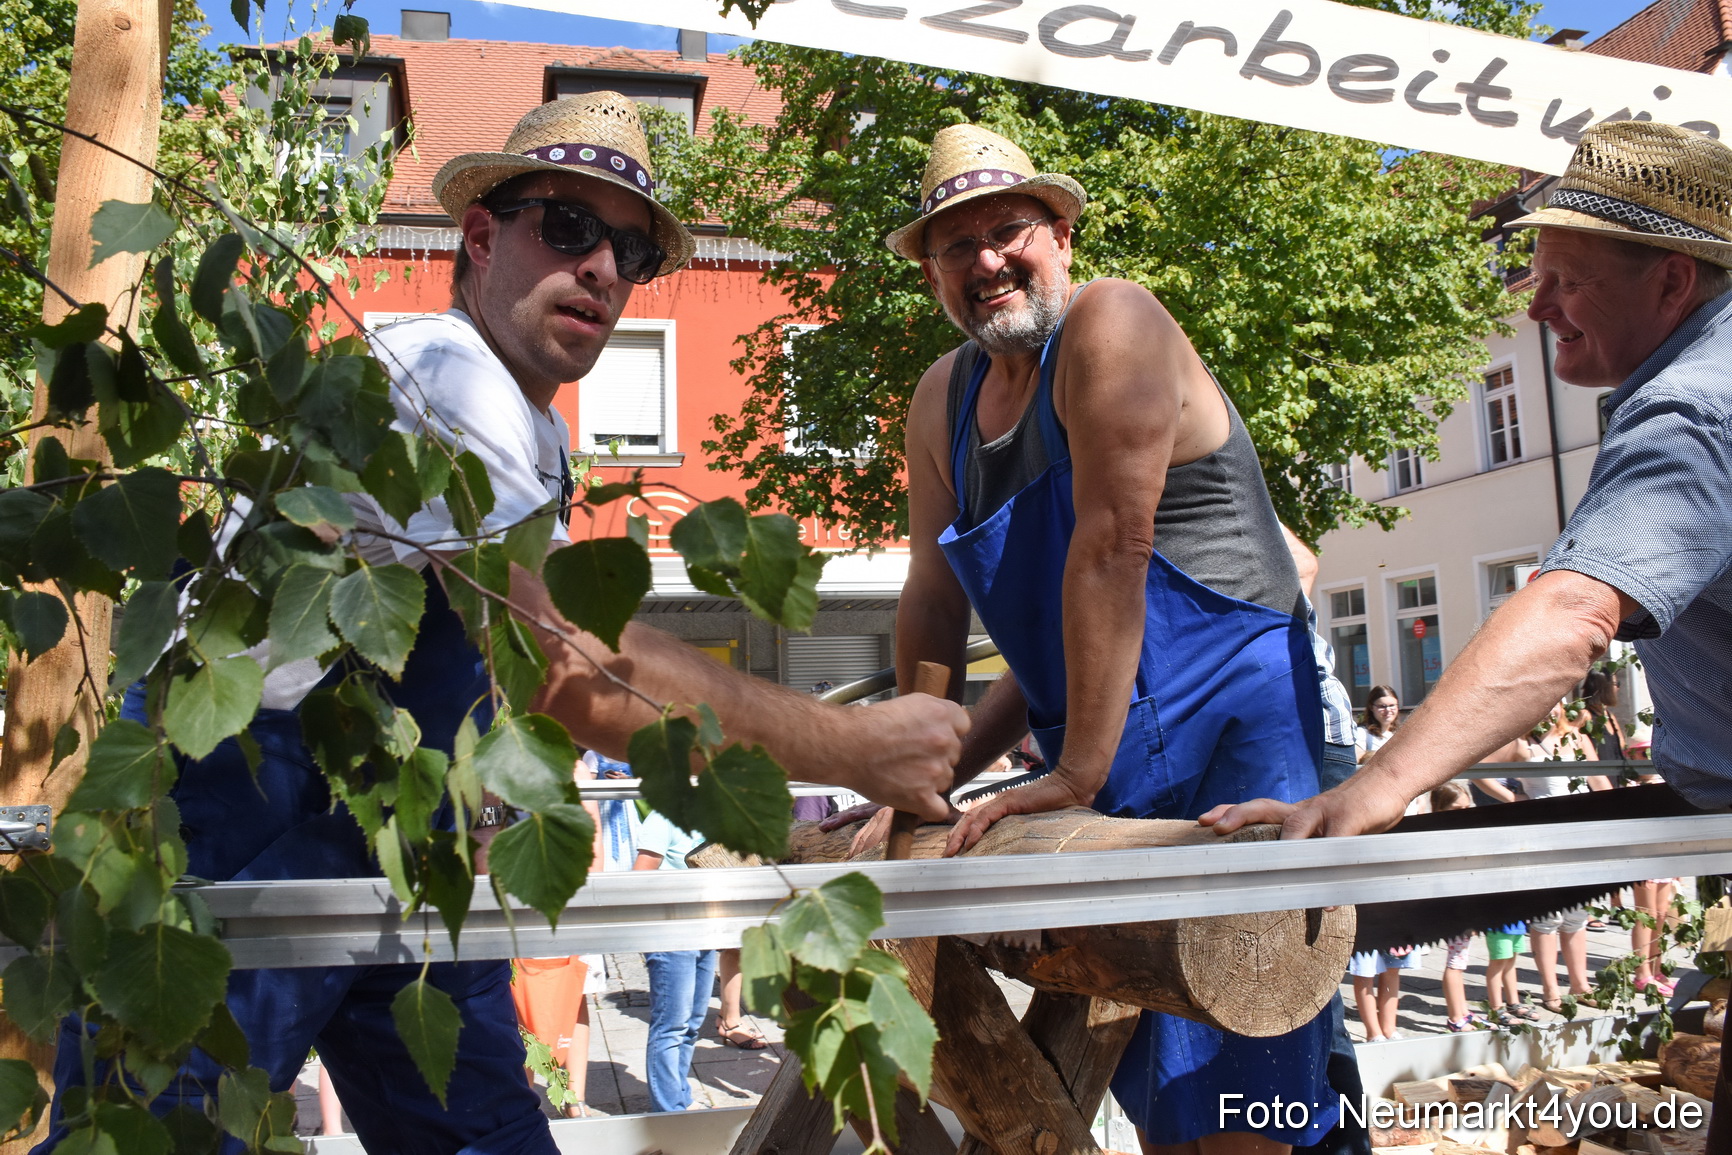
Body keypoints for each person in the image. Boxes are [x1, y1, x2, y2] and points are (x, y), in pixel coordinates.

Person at [35, 94, 966, 1155]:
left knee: (486, 1139)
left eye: (629, 250)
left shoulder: (532, 431)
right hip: (234, 831)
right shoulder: (442, 370)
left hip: (396, 844)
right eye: (568, 229)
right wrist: (851, 747)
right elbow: (560, 665)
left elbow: (491, 674)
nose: (604, 269)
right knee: (162, 1132)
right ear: (480, 237)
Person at [1201, 119, 1732, 1147]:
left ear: (1671, 283)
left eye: (1565, 279)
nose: (1533, 305)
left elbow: (1572, 613)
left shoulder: (1691, 412)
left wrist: (1368, 793)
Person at [881, 122, 1335, 1154]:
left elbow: (1115, 546)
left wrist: (1072, 772)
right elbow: (933, 596)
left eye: (1010, 230)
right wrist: (916, 765)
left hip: (1236, 743)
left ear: (1064, 232)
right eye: (956, 247)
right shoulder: (942, 400)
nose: (987, 260)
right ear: (930, 276)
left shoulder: (1114, 323)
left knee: (1241, 1071)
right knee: (1138, 1082)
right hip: (1097, 750)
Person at [634, 809, 719, 1112]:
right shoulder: (664, 818)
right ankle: (669, 1109)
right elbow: (641, 877)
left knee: (693, 1022)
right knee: (672, 1024)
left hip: (706, 929)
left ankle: (678, 1095)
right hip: (671, 932)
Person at [1356, 686, 1399, 764]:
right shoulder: (1362, 733)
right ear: (1371, 707)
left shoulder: (1400, 733)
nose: (1388, 710)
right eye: (1382, 706)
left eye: (1392, 705)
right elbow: (1358, 762)